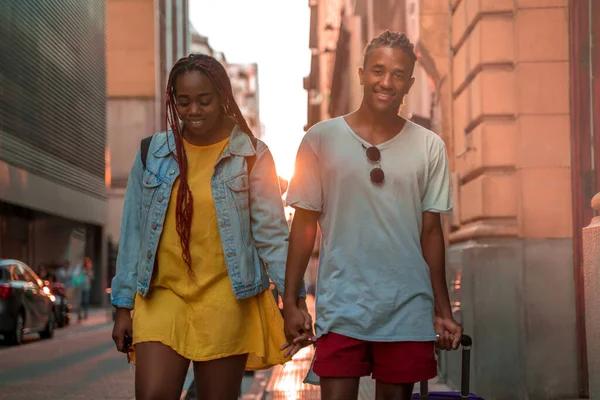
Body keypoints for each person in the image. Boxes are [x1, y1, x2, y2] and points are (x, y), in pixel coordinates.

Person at [110, 53, 311, 400]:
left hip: (225, 299)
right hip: (162, 297)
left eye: (204, 100)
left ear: (223, 98)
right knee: (153, 393)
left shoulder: (251, 156)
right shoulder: (151, 153)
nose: (194, 111)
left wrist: (293, 301)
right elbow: (132, 235)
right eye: (183, 102)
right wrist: (122, 307)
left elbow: (273, 238)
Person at [281, 31, 463, 400]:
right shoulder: (320, 139)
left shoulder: (430, 146)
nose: (386, 82)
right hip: (343, 304)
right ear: (362, 74)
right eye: (378, 71)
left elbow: (431, 232)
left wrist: (443, 310)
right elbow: (303, 227)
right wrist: (292, 302)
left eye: (398, 75)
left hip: (407, 306)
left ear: (410, 83)